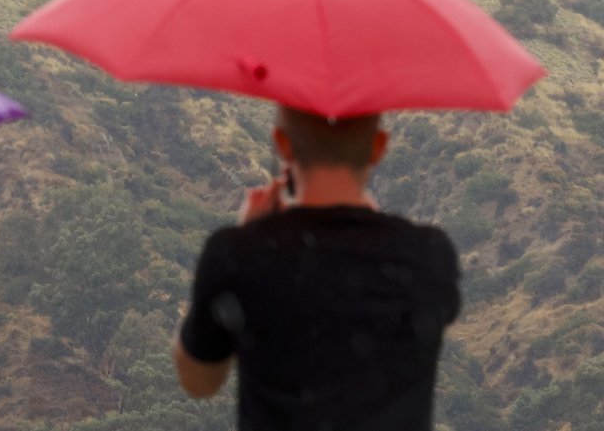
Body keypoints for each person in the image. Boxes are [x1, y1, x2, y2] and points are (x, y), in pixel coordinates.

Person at [173, 105, 461, 431]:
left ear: (282, 144)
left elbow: (199, 381)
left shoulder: (236, 253)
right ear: (379, 146)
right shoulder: (429, 255)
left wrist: (245, 240)